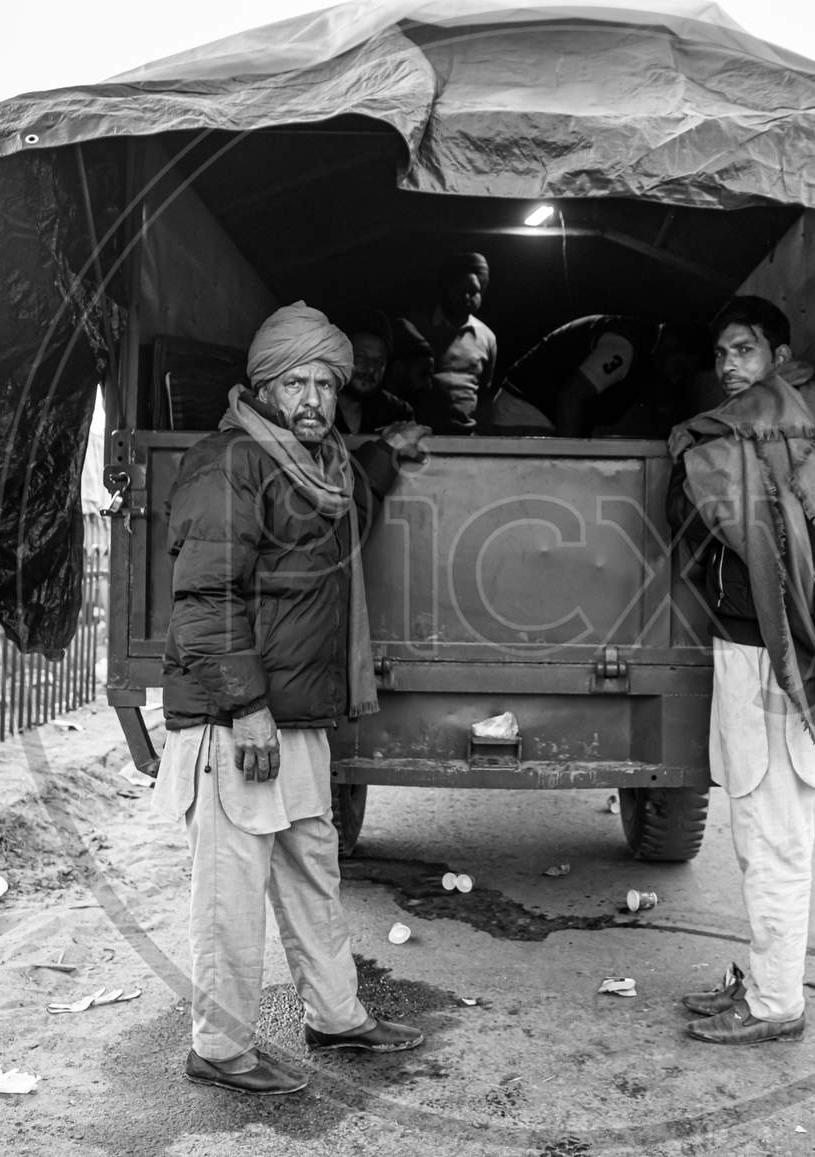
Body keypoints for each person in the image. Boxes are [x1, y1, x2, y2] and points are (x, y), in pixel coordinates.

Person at [155, 301, 430, 1095]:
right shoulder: (229, 462)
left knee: (313, 869)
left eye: (324, 382)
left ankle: (336, 1015)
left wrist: (383, 454)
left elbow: (349, 512)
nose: (312, 397)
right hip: (234, 721)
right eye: (296, 381)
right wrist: (245, 708)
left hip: (296, 718)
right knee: (230, 894)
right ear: (264, 385)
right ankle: (217, 1045)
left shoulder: (325, 466)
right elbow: (207, 598)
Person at [666, 296, 815, 1045]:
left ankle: (775, 1004)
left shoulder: (790, 419)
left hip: (784, 660)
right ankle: (761, 976)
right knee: (755, 831)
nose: (730, 367)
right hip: (749, 651)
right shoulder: (775, 418)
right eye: (722, 354)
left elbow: (812, 544)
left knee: (775, 836)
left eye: (744, 350)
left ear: (777, 352)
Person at [490, 315, 710, 437]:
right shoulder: (625, 347)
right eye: (678, 367)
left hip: (529, 409)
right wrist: (573, 459)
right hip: (524, 412)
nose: (674, 378)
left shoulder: (641, 345)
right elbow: (572, 396)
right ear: (671, 344)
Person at [404, 252, 496, 435]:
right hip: (423, 432)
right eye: (461, 289)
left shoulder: (487, 337)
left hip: (467, 432)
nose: (467, 297)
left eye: (474, 291)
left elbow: (485, 390)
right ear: (447, 288)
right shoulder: (418, 328)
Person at [334, 309, 416, 436]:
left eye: (378, 362)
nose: (371, 369)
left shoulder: (397, 412)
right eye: (361, 358)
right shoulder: (313, 407)